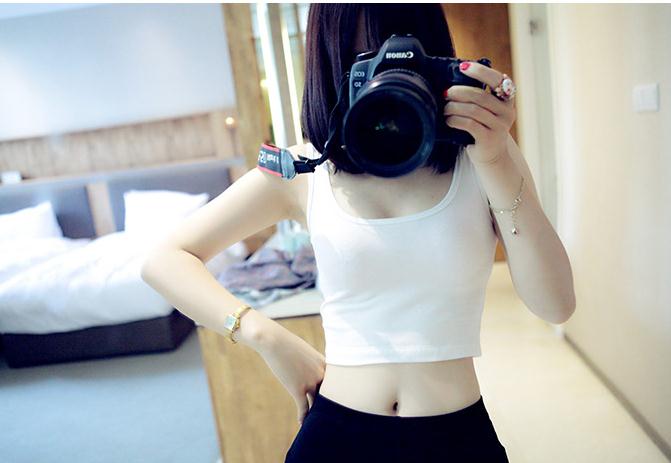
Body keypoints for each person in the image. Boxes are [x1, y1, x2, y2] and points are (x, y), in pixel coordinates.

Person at [141, 4, 576, 463]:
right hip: (335, 434)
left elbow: (556, 305)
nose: (388, 70)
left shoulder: (482, 154)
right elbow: (164, 259)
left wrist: (495, 157)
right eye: (364, 56)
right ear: (331, 63)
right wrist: (265, 336)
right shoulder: (306, 169)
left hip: (456, 435)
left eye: (404, 49)